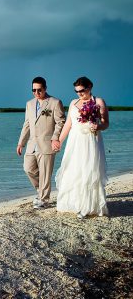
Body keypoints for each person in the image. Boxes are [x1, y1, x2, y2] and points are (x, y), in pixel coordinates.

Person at [55, 76, 109, 219]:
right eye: (76, 91)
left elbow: (106, 123)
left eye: (82, 90)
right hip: (74, 141)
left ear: (90, 87)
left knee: (88, 170)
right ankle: (74, 203)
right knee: (73, 170)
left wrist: (98, 126)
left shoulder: (98, 101)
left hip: (90, 141)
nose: (79, 94)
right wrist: (59, 141)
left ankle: (87, 207)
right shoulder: (73, 103)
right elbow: (68, 124)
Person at [17, 76, 65, 209]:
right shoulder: (29, 104)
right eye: (34, 90)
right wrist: (21, 143)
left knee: (45, 173)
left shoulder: (55, 102)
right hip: (32, 144)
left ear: (45, 88)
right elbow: (27, 124)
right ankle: (42, 191)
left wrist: (55, 138)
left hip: (47, 143)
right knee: (28, 168)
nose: (36, 93)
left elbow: (60, 122)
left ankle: (43, 199)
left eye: (39, 90)